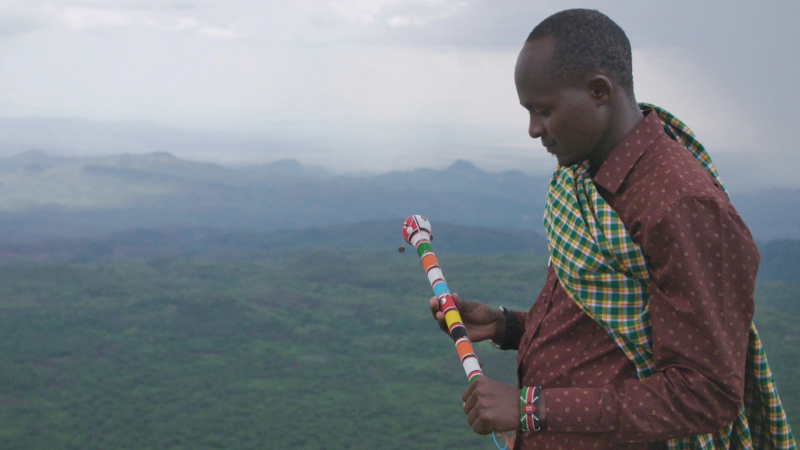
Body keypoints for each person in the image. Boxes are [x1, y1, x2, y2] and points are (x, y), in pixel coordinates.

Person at [429, 9, 794, 450]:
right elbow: (614, 328)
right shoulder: (585, 174)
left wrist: (531, 408)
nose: (532, 130)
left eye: (543, 111)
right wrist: (507, 326)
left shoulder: (680, 205)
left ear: (599, 91)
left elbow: (707, 393)